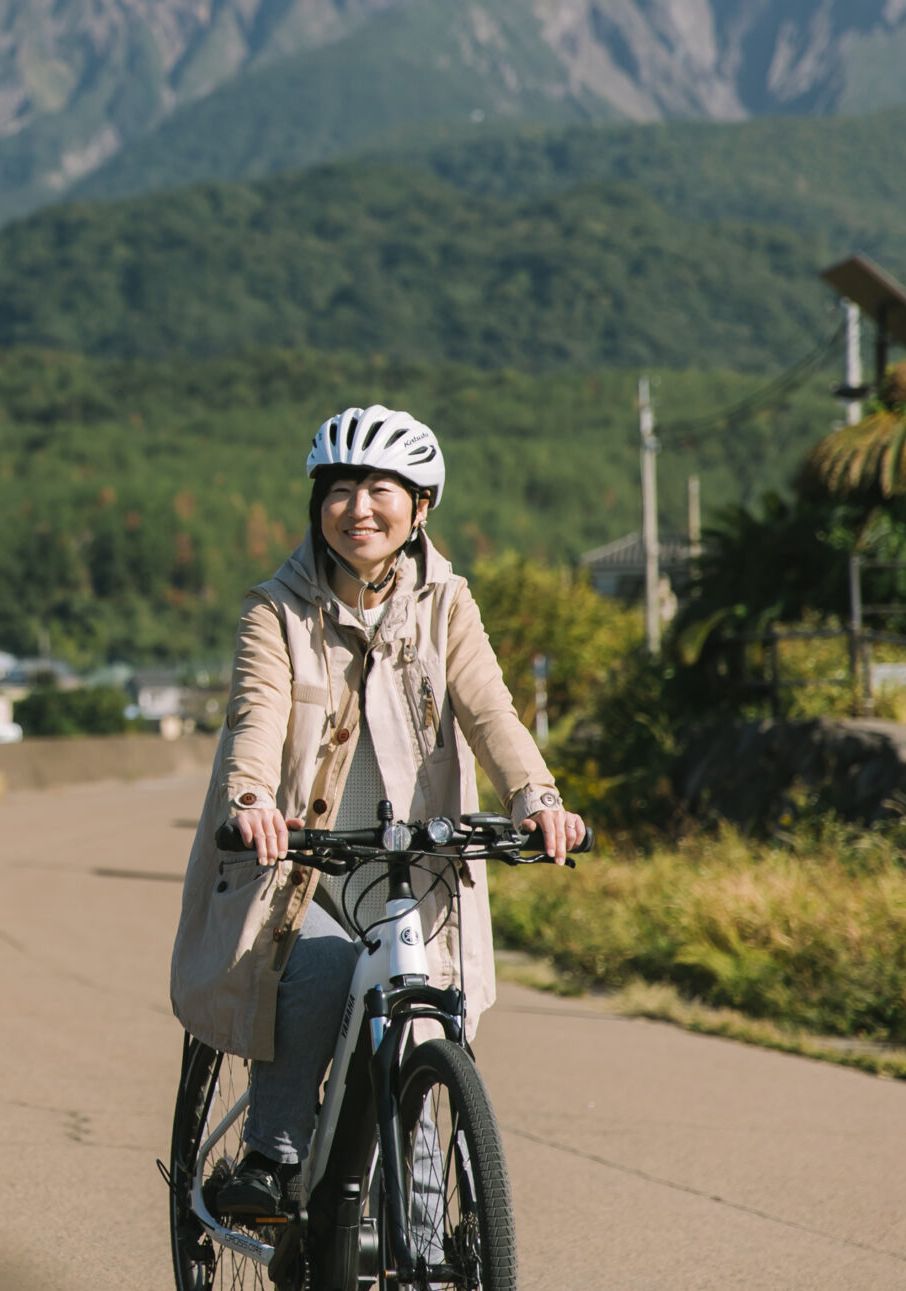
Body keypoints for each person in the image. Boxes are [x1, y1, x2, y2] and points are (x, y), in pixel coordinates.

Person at [168, 405, 585, 1220]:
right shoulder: (275, 610)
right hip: (298, 865)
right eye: (340, 487)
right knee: (321, 969)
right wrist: (251, 800)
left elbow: (491, 712)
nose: (359, 507)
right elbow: (256, 717)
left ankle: (427, 1249)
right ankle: (274, 1156)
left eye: (380, 488)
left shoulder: (448, 603)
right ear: (317, 503)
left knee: (422, 1035)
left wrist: (539, 799)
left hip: (412, 869)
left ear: (420, 505)